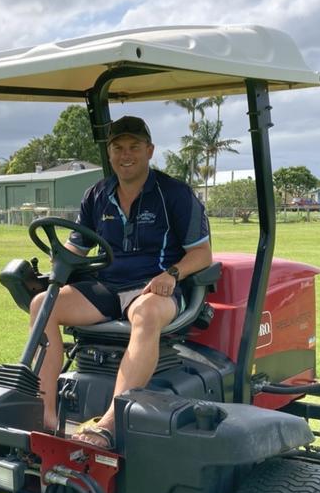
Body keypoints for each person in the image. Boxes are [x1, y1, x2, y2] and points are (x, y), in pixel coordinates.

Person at [29, 115, 213, 448]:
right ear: (109, 152)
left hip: (156, 287)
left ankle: (110, 423)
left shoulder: (174, 194)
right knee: (43, 304)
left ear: (149, 150)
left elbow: (201, 255)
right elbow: (77, 245)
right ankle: (44, 414)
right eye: (118, 148)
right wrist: (56, 268)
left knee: (144, 314)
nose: (125, 155)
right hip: (109, 286)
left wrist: (171, 274)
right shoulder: (97, 194)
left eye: (134, 147)